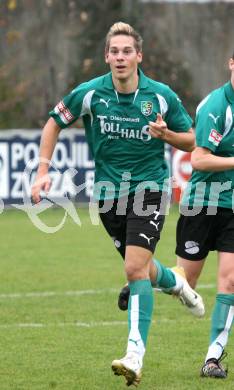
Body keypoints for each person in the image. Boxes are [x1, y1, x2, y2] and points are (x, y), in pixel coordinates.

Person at [31, 22, 204, 387]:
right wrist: (42, 170)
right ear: (107, 57)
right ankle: (178, 283)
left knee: (133, 269)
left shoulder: (160, 96)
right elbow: (53, 123)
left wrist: (167, 134)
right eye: (115, 51)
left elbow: (192, 141)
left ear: (139, 56)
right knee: (141, 268)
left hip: (150, 189)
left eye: (127, 51)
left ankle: (134, 356)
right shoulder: (91, 93)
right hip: (109, 196)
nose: (120, 57)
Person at [175, 52, 234, 379]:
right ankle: (143, 278)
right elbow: (198, 160)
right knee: (186, 284)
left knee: (231, 280)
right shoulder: (217, 106)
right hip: (202, 202)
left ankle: (212, 358)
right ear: (230, 63)